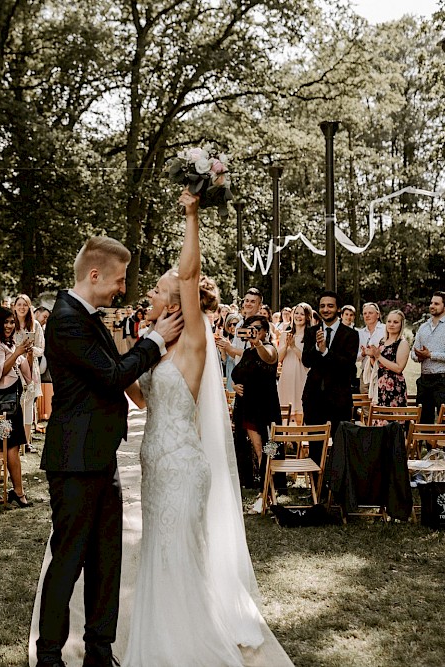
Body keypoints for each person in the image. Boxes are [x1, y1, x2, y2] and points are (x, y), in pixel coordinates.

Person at [121, 188, 279, 665]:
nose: (149, 292)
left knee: (179, 555)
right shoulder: (157, 343)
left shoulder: (192, 339)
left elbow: (188, 273)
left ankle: (190, 649)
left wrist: (191, 215)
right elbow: (142, 399)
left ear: (176, 301)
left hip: (183, 466)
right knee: (160, 555)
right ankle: (163, 642)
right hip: (155, 467)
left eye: (157, 288)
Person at [33, 235, 183, 667]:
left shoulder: (86, 314)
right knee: (68, 560)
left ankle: (100, 649)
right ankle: (49, 656)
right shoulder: (65, 319)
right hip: (74, 460)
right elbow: (110, 375)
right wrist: (153, 341)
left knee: (106, 559)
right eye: (118, 280)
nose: (122, 288)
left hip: (99, 457)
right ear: (94, 275)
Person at [0, 306, 34, 507]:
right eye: (5, 322)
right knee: (11, 446)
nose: (9, 325)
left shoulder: (10, 344)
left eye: (12, 322)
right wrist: (17, 353)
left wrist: (26, 353)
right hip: (3, 404)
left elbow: (25, 372)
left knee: (0, 445)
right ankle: (19, 493)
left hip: (11, 402)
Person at [231, 313, 282, 512]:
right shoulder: (247, 353)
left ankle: (266, 494)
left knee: (269, 450)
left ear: (265, 331)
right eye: (250, 329)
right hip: (249, 409)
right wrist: (235, 386)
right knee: (258, 451)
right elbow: (238, 375)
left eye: (257, 329)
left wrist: (258, 343)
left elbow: (269, 358)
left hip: (267, 410)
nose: (253, 332)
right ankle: (264, 494)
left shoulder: (269, 348)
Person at [302, 290, 359, 464]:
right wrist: (317, 349)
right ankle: (315, 487)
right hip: (314, 397)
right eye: (322, 306)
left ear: (339, 309)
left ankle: (338, 487)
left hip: (339, 398)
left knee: (340, 446)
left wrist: (326, 351)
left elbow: (347, 365)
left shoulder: (350, 334)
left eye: (330, 306)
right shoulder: (312, 332)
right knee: (315, 446)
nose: (326, 309)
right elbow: (306, 360)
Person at [216, 287, 264, 488]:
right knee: (240, 433)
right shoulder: (239, 326)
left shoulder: (261, 326)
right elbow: (238, 360)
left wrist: (229, 348)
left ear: (260, 305)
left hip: (258, 386)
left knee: (261, 433)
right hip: (240, 385)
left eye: (253, 301)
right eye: (246, 301)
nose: (248, 304)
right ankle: (246, 477)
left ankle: (265, 473)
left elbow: (253, 355)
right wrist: (234, 382)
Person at [410, 291, 445, 424]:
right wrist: (420, 357)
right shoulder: (423, 327)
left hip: (443, 381)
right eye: (431, 303)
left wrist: (431, 355)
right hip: (424, 380)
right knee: (423, 419)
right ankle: (426, 445)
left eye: (436, 303)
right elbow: (413, 352)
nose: (432, 306)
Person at [363, 309, 410, 413]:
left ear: (401, 325)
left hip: (394, 386)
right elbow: (377, 365)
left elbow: (399, 368)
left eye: (395, 322)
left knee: (392, 421)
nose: (391, 324)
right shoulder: (383, 341)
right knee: (378, 420)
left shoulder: (402, 343)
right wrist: (372, 357)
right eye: (389, 321)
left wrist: (378, 356)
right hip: (379, 385)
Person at [13, 294, 45, 446]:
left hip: (31, 367)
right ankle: (12, 440)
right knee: (15, 404)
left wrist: (32, 350)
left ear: (29, 307)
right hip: (14, 368)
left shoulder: (35, 325)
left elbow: (41, 348)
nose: (22, 307)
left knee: (28, 404)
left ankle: (26, 441)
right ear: (14, 306)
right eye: (19, 304)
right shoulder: (10, 324)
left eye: (25, 305)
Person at [278, 302, 312, 425]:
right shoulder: (285, 334)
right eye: (296, 313)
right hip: (287, 376)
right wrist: (286, 345)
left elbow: (308, 360)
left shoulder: (310, 335)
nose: (298, 316)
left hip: (302, 376)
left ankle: (299, 441)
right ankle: (286, 442)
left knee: (300, 411)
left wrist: (293, 346)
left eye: (302, 314)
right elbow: (279, 358)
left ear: (307, 316)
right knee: (285, 412)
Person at [357, 302, 385, 392]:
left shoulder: (386, 329)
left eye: (370, 313)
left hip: (383, 372)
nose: (367, 316)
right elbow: (354, 357)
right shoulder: (360, 333)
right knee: (365, 404)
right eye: (365, 313)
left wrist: (376, 353)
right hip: (365, 373)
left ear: (377, 315)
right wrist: (363, 353)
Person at [35, 306, 53, 426]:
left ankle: (35, 422)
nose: (45, 320)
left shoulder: (43, 329)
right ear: (37, 313)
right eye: (44, 317)